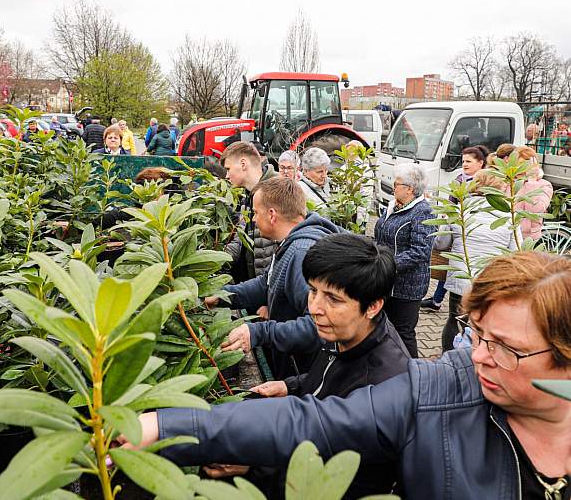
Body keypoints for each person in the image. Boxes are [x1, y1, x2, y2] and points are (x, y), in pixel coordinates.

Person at [133, 251, 571, 500]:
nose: (477, 356)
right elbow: (315, 420)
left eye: (504, 348)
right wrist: (163, 425)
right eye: (475, 334)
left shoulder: (385, 368)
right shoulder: (439, 391)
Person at [209, 233, 410, 499]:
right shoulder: (348, 333)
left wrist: (253, 466)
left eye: (333, 299)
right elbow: (329, 379)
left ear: (372, 306)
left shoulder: (383, 388)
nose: (314, 307)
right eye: (313, 290)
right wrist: (290, 386)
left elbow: (340, 482)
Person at [205, 177, 340, 380]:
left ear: (271, 215)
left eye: (256, 213)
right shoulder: (289, 243)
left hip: (304, 373)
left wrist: (260, 332)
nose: (253, 219)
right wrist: (223, 296)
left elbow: (318, 327)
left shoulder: (301, 253)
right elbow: (266, 283)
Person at [435, 170, 520, 351]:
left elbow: (440, 243)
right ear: (498, 188)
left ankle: (448, 359)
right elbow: (515, 253)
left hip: (461, 277)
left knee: (454, 320)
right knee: (484, 324)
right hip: (490, 281)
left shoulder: (458, 211)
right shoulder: (509, 216)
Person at [374, 163, 435, 357]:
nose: (393, 187)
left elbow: (421, 251)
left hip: (408, 286)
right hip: (387, 281)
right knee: (385, 329)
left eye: (397, 184)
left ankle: (414, 374)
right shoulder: (394, 206)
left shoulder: (422, 211)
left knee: (403, 332)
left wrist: (388, 264)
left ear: (409, 189)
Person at [421, 145, 489, 312]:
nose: (465, 164)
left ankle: (441, 301)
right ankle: (437, 300)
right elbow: (451, 202)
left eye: (469, 161)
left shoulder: (485, 182)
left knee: (457, 267)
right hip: (456, 227)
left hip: (472, 231)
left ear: (480, 163)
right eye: (463, 160)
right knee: (451, 265)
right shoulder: (459, 179)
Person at [221, 141, 279, 281]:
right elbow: (241, 241)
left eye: (228, 169)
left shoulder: (278, 193)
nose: (227, 176)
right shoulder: (248, 196)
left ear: (243, 164)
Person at [514, 146, 553, 242]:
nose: (519, 168)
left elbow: (536, 210)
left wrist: (531, 182)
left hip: (527, 237)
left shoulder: (544, 185)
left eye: (523, 164)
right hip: (506, 232)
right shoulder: (508, 182)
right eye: (517, 163)